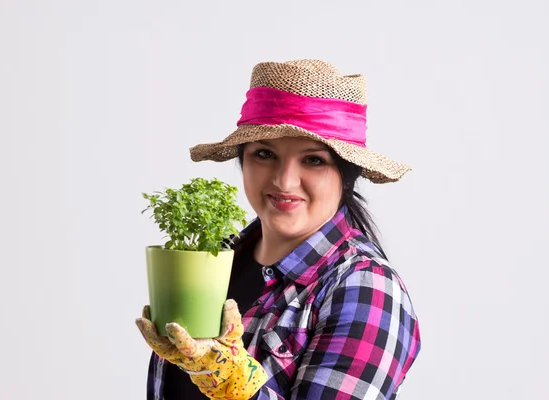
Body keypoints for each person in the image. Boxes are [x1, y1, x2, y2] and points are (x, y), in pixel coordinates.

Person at [135, 59, 421, 399]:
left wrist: (229, 382)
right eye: (264, 153)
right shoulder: (220, 259)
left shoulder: (366, 288)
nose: (284, 180)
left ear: (347, 175)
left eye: (313, 160)